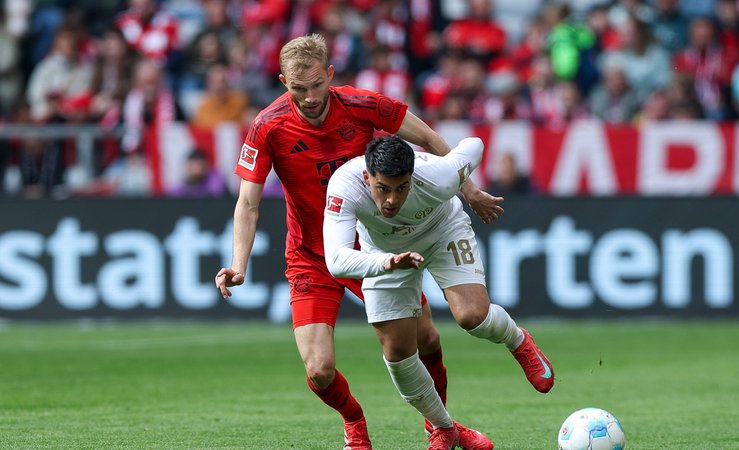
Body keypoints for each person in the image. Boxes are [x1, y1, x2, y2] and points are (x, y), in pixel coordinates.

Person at [214, 34, 504, 450]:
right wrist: (238, 264)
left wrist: (468, 189)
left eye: (316, 85)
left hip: (373, 249)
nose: (310, 97)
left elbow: (429, 139)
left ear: (329, 75)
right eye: (299, 89)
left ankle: (442, 427)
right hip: (312, 257)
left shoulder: (364, 104)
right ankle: (354, 421)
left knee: (428, 341)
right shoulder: (267, 127)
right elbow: (247, 203)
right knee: (319, 371)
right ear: (283, 82)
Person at [322, 135, 555, 449]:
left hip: (441, 232)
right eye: (383, 188)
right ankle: (444, 428)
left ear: (412, 178)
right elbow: (336, 261)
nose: (392, 199)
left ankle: (519, 341)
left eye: (401, 187)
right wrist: (389, 262)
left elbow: (474, 145)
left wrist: (469, 190)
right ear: (367, 177)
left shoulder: (438, 176)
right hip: (384, 254)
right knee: (398, 354)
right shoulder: (344, 187)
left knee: (473, 316)